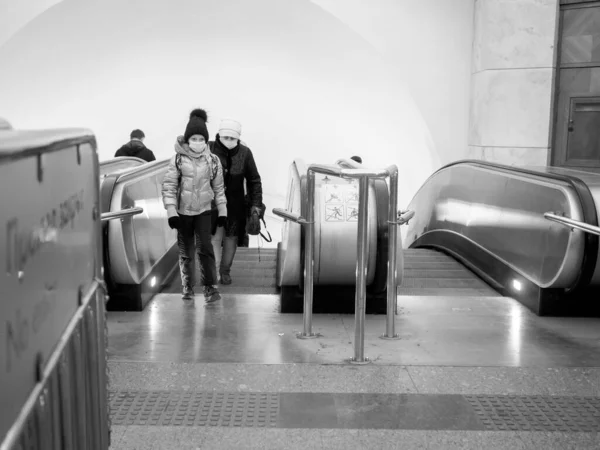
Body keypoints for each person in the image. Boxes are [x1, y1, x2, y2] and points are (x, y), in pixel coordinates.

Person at [161, 109, 227, 302]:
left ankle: (210, 288)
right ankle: (187, 286)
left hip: (204, 211)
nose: (197, 142)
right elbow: (169, 187)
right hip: (183, 213)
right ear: (187, 140)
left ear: (206, 141)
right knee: (186, 250)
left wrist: (222, 210)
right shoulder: (177, 160)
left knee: (205, 248)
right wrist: (171, 211)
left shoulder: (213, 161)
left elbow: (219, 188)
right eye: (194, 138)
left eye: (201, 139)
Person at [209, 119, 263, 285]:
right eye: (226, 137)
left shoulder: (245, 153)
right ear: (219, 135)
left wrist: (256, 206)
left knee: (231, 238)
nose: (229, 141)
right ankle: (214, 273)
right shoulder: (209, 149)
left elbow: (254, 180)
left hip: (235, 205)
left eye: (233, 138)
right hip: (213, 205)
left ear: (238, 138)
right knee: (215, 238)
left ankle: (225, 271)